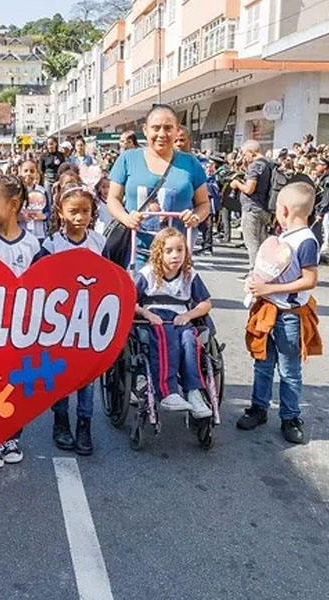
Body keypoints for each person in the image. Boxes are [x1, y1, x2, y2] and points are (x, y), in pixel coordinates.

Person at [238, 182, 322, 445]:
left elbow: (309, 280)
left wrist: (268, 287)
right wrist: (254, 282)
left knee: (289, 370)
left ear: (284, 210)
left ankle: (290, 416)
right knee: (262, 363)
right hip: (268, 309)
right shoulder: (283, 237)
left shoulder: (306, 240)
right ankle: (259, 408)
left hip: (289, 314)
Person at [0, 174, 41, 468]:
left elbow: (42, 287)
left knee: (17, 382)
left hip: (22, 329)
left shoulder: (35, 244)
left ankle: (13, 434)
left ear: (13, 205)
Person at [37, 184, 106, 454]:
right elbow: (39, 279)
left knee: (86, 377)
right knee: (61, 374)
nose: (79, 216)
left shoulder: (98, 242)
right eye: (73, 211)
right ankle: (61, 421)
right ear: (60, 212)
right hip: (59, 320)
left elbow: (109, 279)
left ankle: (84, 425)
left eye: (85, 211)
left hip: (89, 320)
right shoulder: (52, 243)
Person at [107, 104, 210, 265]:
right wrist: (126, 218)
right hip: (136, 253)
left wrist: (195, 217)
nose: (162, 134)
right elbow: (113, 199)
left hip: (175, 258)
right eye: (156, 128)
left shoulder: (190, 163)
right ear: (145, 129)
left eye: (168, 128)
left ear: (177, 130)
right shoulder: (127, 159)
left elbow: (203, 204)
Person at [133, 227, 213, 418]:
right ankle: (168, 392)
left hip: (180, 317)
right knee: (166, 336)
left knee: (189, 338)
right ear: (159, 253)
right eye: (169, 251)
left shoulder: (189, 274)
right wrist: (146, 314)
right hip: (155, 317)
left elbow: (205, 303)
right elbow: (130, 301)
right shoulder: (148, 274)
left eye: (180, 250)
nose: (175, 256)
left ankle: (194, 392)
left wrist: (189, 315)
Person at [231, 140, 273, 278]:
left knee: (252, 243)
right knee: (261, 242)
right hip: (264, 208)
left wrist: (237, 184)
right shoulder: (268, 164)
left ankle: (254, 273)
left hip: (252, 208)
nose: (243, 157)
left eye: (244, 154)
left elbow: (249, 189)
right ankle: (262, 272)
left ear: (251, 152)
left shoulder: (255, 166)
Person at [19, 159, 48, 240]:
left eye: (32, 171)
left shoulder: (42, 190)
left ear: (36, 174)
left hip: (38, 233)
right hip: (21, 232)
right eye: (25, 171)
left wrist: (43, 216)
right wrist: (19, 217)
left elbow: (48, 211)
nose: (28, 174)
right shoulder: (16, 191)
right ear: (20, 172)